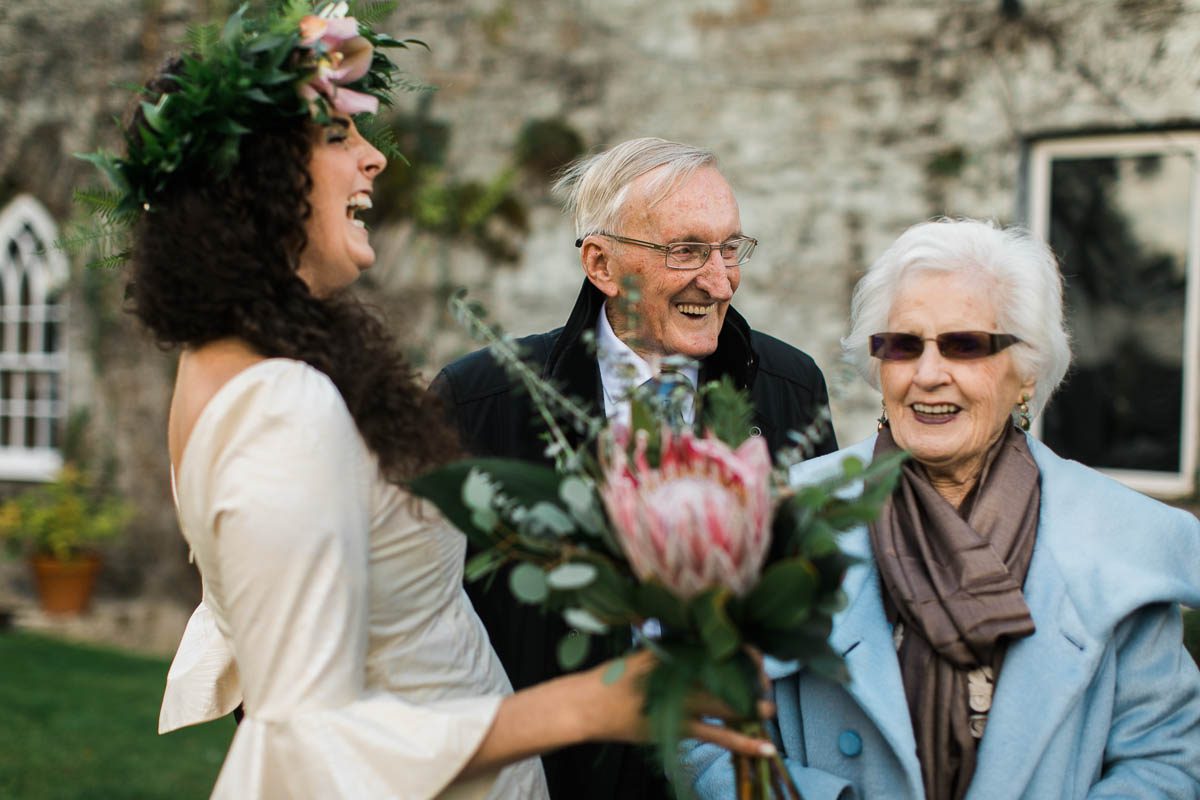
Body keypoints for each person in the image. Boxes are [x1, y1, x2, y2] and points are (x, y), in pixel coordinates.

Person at [94, 7, 772, 798]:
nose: (375, 159)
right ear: (255, 182)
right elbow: (304, 736)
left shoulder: (245, 368)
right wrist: (594, 702)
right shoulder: (279, 406)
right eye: (339, 137)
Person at [683, 217, 1200, 799]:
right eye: (903, 346)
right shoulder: (775, 519)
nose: (929, 375)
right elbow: (705, 733)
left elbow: (1165, 761)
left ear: (1026, 372)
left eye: (965, 346)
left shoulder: (1120, 541)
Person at [433, 137, 839, 798]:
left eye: (730, 248)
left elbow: (821, 592)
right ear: (601, 264)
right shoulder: (482, 401)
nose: (720, 280)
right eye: (687, 251)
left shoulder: (789, 386)